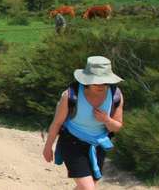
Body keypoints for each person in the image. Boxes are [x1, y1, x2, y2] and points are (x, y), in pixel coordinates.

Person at [42, 56, 125, 190]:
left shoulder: (116, 95)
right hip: (72, 142)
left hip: (98, 145)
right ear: (87, 80)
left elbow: (117, 126)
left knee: (87, 186)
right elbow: (57, 123)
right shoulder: (70, 95)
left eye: (104, 82)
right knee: (88, 188)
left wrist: (106, 120)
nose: (101, 86)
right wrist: (48, 146)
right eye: (97, 82)